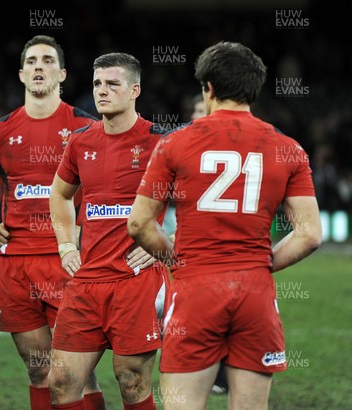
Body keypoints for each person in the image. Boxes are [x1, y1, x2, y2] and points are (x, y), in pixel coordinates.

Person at [127, 41, 322, 409]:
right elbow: (310, 235)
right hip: (255, 294)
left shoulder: (174, 143)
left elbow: (138, 223)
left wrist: (175, 258)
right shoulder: (289, 148)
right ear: (254, 89)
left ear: (210, 88)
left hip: (196, 290)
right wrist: (260, 265)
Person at [0, 35, 105, 410]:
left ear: (63, 73)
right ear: (22, 74)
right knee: (39, 371)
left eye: (48, 61)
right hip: (16, 265)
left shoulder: (88, 128)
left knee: (77, 374)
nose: (40, 66)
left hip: (70, 262)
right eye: (33, 61)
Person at [48, 52, 169, 410]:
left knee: (131, 381)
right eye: (98, 83)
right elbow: (59, 193)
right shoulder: (81, 142)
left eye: (113, 84)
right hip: (87, 281)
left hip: (137, 280)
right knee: (62, 381)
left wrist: (166, 244)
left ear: (135, 90)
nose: (102, 91)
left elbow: (198, 202)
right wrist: (67, 246)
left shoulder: (159, 142)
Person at [190, 92, 230, 396]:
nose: (204, 115)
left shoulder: (233, 151)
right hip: (190, 249)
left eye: (207, 110)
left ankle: (223, 369)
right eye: (198, 111)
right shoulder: (181, 148)